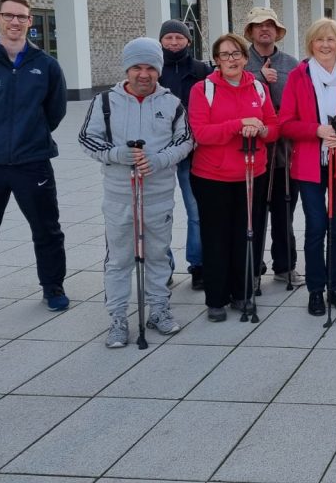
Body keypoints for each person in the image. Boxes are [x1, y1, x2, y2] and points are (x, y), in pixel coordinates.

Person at [78, 38, 193, 347]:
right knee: (118, 259)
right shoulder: (105, 102)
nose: (144, 75)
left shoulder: (172, 103)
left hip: (158, 194)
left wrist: (158, 160)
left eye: (150, 68)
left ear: (158, 70)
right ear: (127, 69)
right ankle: (116, 317)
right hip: (119, 195)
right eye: (137, 67)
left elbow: (185, 141)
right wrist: (117, 155)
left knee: (157, 254)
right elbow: (87, 139)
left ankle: (158, 309)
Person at [0, 0, 69, 324]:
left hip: (32, 161)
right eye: (8, 16)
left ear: (29, 22)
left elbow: (56, 109)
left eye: (22, 17)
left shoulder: (47, 66)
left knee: (47, 229)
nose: (15, 22)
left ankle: (52, 287)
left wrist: (32, 133)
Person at [280, 19, 336, 316]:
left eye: (331, 39)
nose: (325, 44)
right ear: (310, 44)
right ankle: (315, 291)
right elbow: (286, 122)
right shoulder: (299, 76)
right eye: (319, 39)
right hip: (310, 163)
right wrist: (317, 130)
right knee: (316, 226)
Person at [188, 33, 279, 322]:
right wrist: (238, 124)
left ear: (244, 57)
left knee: (246, 236)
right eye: (224, 55)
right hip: (212, 176)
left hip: (253, 173)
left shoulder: (259, 88)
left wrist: (262, 130)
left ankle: (242, 293)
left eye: (236, 53)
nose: (231, 59)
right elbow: (201, 133)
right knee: (216, 238)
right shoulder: (203, 89)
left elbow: (274, 127)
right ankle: (216, 297)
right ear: (216, 60)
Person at [243, 7, 302, 287]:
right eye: (258, 25)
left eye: (270, 25)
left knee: (284, 210)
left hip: (285, 149)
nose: (264, 30)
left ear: (278, 32)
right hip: (250, 149)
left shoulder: (291, 63)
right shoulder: (240, 62)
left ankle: (285, 264)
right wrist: (258, 80)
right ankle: (252, 268)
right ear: (250, 31)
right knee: (253, 213)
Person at [158, 19, 210, 290]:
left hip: (193, 150)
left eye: (179, 38)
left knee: (196, 211)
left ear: (189, 41)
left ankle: (198, 264)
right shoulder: (153, 69)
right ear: (161, 41)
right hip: (161, 152)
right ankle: (162, 266)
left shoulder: (202, 70)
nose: (174, 43)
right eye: (169, 38)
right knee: (159, 212)